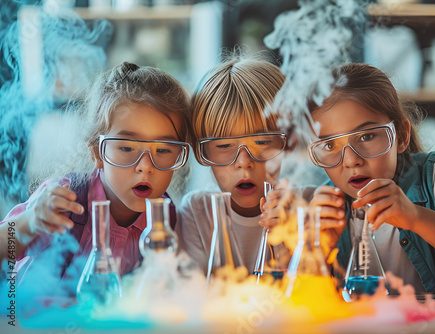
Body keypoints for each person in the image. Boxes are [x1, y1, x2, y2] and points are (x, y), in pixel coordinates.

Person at [261, 63, 435, 294]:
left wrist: (416, 218)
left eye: (366, 137)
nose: (351, 160)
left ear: (402, 136)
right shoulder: (319, 206)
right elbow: (297, 307)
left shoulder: (434, 174)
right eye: (330, 144)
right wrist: (318, 247)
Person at [0, 61, 191, 279]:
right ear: (97, 153)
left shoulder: (166, 220)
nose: (146, 167)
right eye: (127, 148)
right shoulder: (63, 201)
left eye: (164, 150)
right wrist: (29, 224)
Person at [176, 56, 289, 274]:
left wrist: (290, 237)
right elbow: (198, 295)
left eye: (262, 143)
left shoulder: (307, 207)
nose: (244, 163)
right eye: (225, 145)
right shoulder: (198, 213)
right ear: (202, 152)